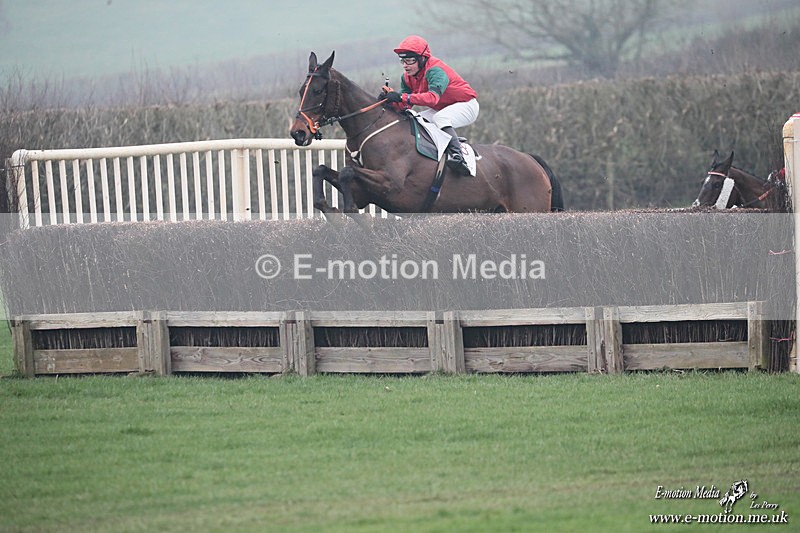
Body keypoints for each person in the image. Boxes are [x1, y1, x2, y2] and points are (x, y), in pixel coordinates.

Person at [382, 35, 479, 176]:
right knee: (415, 120)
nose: (405, 65)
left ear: (422, 58)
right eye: (403, 61)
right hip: (443, 108)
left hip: (466, 105)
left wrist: (401, 96)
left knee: (441, 118)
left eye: (409, 60)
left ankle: (458, 156)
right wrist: (389, 102)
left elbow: (432, 99)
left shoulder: (435, 71)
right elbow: (404, 105)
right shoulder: (407, 77)